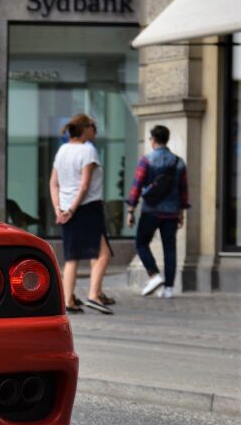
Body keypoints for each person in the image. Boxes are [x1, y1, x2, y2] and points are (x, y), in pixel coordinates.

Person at [49, 113, 114, 315]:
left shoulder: (62, 150)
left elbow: (54, 183)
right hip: (86, 208)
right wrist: (71, 210)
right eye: (93, 126)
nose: (95, 130)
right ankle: (94, 295)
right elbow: (84, 186)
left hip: (67, 209)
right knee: (104, 253)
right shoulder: (88, 151)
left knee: (71, 257)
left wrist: (59, 209)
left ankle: (68, 300)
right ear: (85, 128)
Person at [127, 125, 189, 298]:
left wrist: (131, 209)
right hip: (171, 213)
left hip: (150, 211)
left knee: (141, 243)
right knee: (170, 249)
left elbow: (136, 186)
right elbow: (183, 189)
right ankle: (168, 288)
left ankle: (154, 275)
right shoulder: (178, 162)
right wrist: (181, 212)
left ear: (153, 140)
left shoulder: (147, 160)